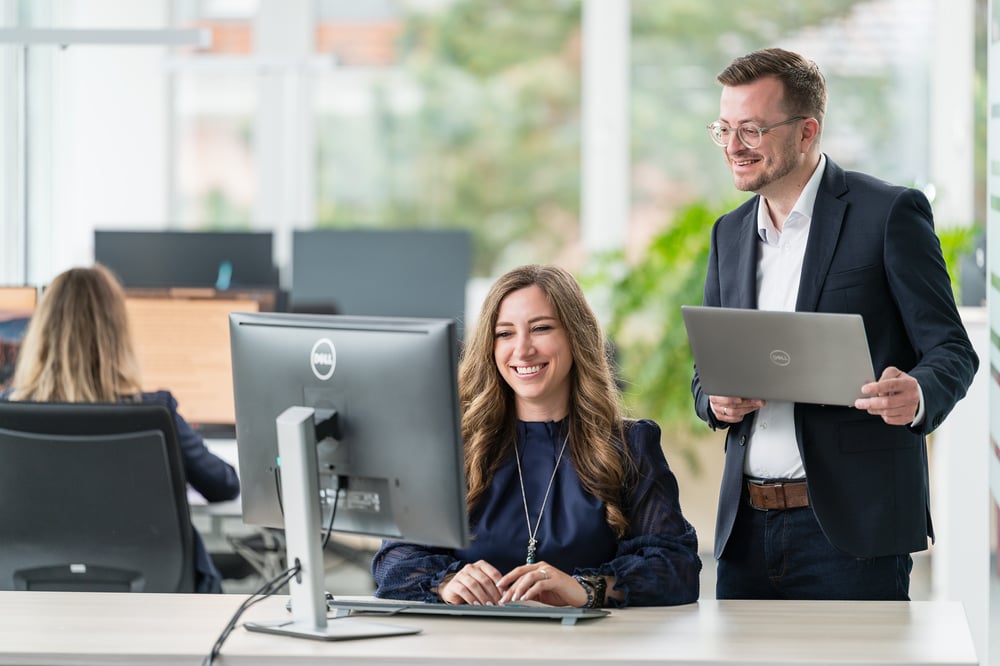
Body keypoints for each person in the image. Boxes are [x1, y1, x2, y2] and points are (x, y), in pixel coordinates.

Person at [693, 47, 979, 600]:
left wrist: (916, 392)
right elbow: (706, 375)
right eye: (723, 129)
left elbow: (952, 350)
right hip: (745, 535)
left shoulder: (889, 213)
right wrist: (716, 401)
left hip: (854, 536)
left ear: (806, 132)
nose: (732, 147)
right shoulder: (728, 234)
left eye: (750, 129)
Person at [372, 264, 700, 607]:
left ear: (576, 336)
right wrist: (446, 582)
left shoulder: (630, 446)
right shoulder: (454, 446)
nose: (523, 349)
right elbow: (393, 560)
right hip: (471, 647)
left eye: (541, 328)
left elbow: (678, 567)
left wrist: (588, 588)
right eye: (505, 333)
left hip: (587, 649)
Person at [2, 264, 240, 593]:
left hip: (29, 597)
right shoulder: (154, 413)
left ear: (39, 334)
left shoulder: (8, 415)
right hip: (153, 597)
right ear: (117, 335)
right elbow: (224, 486)